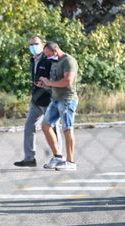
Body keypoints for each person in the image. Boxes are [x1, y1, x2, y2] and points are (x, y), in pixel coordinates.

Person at [14, 36, 61, 167]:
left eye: (36, 44)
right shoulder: (33, 60)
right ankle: (29, 158)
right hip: (36, 100)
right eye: (31, 45)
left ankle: (58, 157)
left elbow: (55, 77)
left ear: (43, 45)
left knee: (53, 128)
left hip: (49, 100)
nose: (33, 47)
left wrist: (47, 85)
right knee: (29, 126)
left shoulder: (49, 59)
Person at [37, 42, 79, 171]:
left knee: (67, 128)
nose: (47, 57)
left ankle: (70, 161)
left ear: (55, 50)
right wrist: (45, 84)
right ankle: (58, 157)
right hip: (55, 99)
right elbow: (54, 83)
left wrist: (49, 82)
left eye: (48, 54)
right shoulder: (55, 63)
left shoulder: (69, 61)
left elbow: (67, 82)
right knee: (45, 125)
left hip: (67, 99)